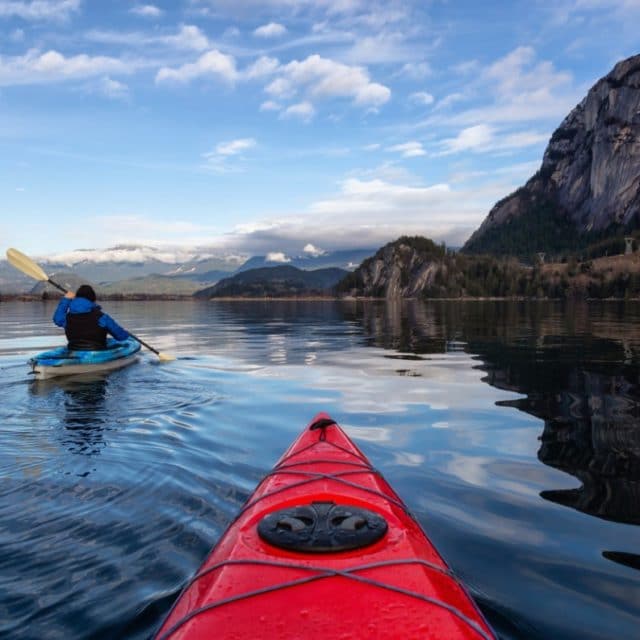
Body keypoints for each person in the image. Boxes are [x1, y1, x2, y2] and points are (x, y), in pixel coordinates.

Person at [53, 285, 129, 350]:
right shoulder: (101, 317)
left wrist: (66, 299)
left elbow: (57, 319)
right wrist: (126, 335)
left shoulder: (68, 318)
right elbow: (122, 336)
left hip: (74, 348)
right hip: (97, 351)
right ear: (92, 299)